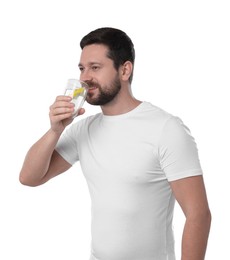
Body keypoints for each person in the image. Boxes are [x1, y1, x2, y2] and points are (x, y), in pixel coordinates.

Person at [19, 27, 211, 260]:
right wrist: (55, 130)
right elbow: (29, 177)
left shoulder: (166, 128)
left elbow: (198, 214)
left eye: (95, 67)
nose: (84, 77)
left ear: (125, 70)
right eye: (82, 68)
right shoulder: (83, 129)